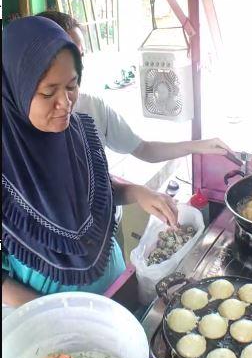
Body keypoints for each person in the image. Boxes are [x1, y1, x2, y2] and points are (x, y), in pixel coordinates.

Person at [2, 16, 178, 308]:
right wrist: (59, 316)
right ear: (14, 90)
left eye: (72, 86)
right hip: (54, 316)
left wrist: (137, 192)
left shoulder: (76, 131)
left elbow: (94, 189)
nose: (65, 103)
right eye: (48, 92)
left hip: (115, 285)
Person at [37, 11, 235, 163]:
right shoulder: (16, 134)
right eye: (48, 92)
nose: (78, 69)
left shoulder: (93, 107)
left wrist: (197, 146)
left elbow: (142, 149)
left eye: (80, 56)